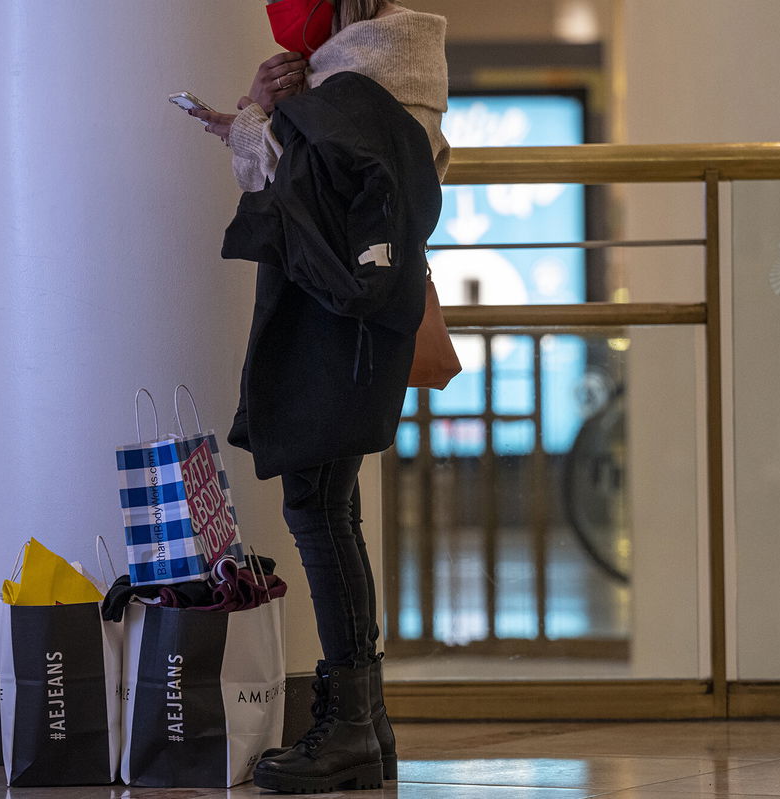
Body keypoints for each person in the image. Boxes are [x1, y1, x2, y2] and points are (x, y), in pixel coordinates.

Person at [192, 0, 449, 793]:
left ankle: (348, 728)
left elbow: (302, 198)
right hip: (363, 318)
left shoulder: (363, 76)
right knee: (330, 507)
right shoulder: (395, 69)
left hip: (336, 322)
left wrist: (255, 117)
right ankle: (362, 723)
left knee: (317, 506)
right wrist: (271, 113)